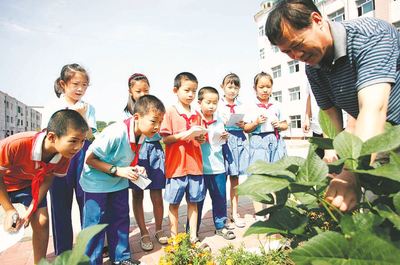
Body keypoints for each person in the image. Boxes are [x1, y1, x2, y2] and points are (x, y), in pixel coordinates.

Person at [265, 0, 400, 212]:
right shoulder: (314, 71)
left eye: (298, 45)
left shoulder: (370, 35)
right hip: (378, 138)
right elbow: (336, 123)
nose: (297, 56)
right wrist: (340, 165)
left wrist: (352, 174)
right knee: (379, 208)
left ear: (317, 20)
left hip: (385, 127)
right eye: (287, 52)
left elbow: (374, 109)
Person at [80, 95, 165, 265]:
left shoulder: (142, 134)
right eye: (154, 121)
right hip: (96, 185)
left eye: (160, 122)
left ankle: (121, 258)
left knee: (120, 220)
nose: (157, 127)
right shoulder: (116, 132)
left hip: (118, 182)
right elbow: (89, 159)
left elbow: (127, 157)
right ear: (136, 117)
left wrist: (135, 167)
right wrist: (117, 170)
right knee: (94, 226)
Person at [0, 109, 88, 264]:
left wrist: (30, 210)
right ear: (52, 137)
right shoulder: (17, 144)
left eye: (82, 141)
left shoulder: (64, 155)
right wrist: (9, 210)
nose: (78, 147)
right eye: (73, 140)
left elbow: (47, 179)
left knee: (42, 221)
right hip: (3, 183)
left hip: (27, 185)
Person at [41, 63, 97, 255]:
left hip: (82, 157)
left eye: (84, 84)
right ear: (63, 84)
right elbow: (47, 134)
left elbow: (90, 135)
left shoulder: (88, 108)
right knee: (60, 207)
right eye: (75, 84)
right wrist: (73, 115)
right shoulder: (52, 106)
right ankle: (63, 252)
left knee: (86, 203)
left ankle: (88, 250)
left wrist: (81, 117)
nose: (80, 89)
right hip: (58, 158)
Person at [160, 72, 206, 243]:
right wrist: (185, 134)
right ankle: (174, 237)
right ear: (175, 90)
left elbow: (201, 138)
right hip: (176, 166)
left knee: (194, 201)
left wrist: (200, 137)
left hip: (195, 165)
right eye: (187, 90)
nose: (190, 95)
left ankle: (193, 235)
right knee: (174, 203)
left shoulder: (197, 114)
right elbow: (165, 138)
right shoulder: (170, 112)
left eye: (194, 91)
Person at [124, 73, 167, 251]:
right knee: (137, 194)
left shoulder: (156, 108)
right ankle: (143, 232)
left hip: (155, 151)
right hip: (137, 153)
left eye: (146, 90)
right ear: (130, 91)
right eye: (138, 91)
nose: (142, 94)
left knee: (156, 193)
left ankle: (158, 229)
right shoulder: (127, 114)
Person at [244, 72, 288, 220]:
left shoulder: (277, 105)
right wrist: (256, 122)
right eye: (261, 86)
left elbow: (285, 124)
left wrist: (279, 125)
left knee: (275, 176)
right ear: (254, 88)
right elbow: (246, 128)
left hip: (275, 142)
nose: (265, 90)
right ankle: (259, 213)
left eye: (268, 86)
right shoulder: (250, 106)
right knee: (258, 177)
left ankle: (273, 211)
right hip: (258, 143)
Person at [195, 86, 236, 240]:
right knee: (197, 200)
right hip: (199, 168)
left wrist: (224, 136)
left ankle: (221, 225)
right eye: (208, 102)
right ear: (200, 102)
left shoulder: (219, 119)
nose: (212, 106)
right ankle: (192, 230)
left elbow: (220, 140)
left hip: (218, 167)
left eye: (215, 103)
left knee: (219, 198)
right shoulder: (195, 118)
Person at [218, 73, 249, 228]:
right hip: (223, 141)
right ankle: (221, 215)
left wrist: (244, 124)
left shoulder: (242, 105)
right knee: (221, 178)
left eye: (236, 87)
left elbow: (248, 125)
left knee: (235, 179)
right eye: (229, 86)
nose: (232, 90)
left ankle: (234, 212)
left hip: (238, 140)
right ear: (222, 87)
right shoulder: (217, 104)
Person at [303, 82, 324, 159]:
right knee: (316, 161)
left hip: (336, 125)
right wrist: (307, 117)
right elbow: (310, 96)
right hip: (317, 127)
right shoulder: (310, 73)